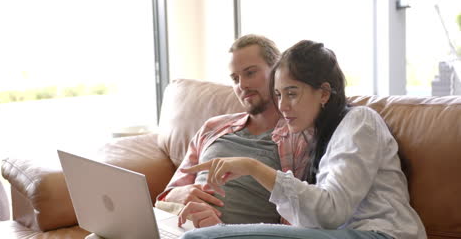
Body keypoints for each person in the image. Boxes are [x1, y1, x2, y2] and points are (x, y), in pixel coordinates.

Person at [179, 40, 427, 239]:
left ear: (324, 93)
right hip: (341, 234)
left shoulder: (360, 121)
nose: (283, 106)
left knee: (203, 237)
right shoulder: (317, 137)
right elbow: (311, 220)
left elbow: (330, 212)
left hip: (382, 233)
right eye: (278, 94)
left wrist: (252, 167)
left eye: (292, 93)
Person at [156, 34, 313, 227]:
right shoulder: (213, 127)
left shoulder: (299, 137)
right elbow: (166, 197)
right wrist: (179, 193)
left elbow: (301, 219)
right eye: (235, 78)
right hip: (179, 228)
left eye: (250, 73)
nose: (242, 85)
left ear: (278, 71)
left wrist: (219, 231)